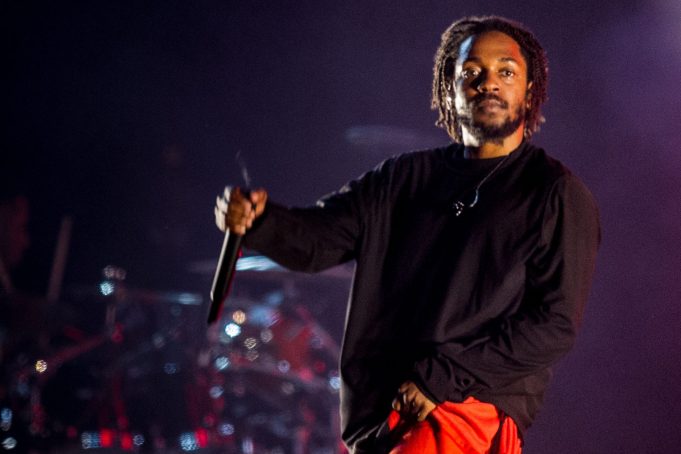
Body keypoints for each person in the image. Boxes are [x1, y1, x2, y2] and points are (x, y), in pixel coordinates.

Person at [214, 16, 600, 454]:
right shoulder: (402, 178)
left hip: (465, 406)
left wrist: (442, 377)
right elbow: (319, 240)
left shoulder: (555, 193)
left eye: (505, 71)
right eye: (471, 72)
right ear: (449, 88)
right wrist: (260, 221)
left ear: (529, 90)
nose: (488, 83)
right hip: (382, 406)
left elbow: (554, 325)